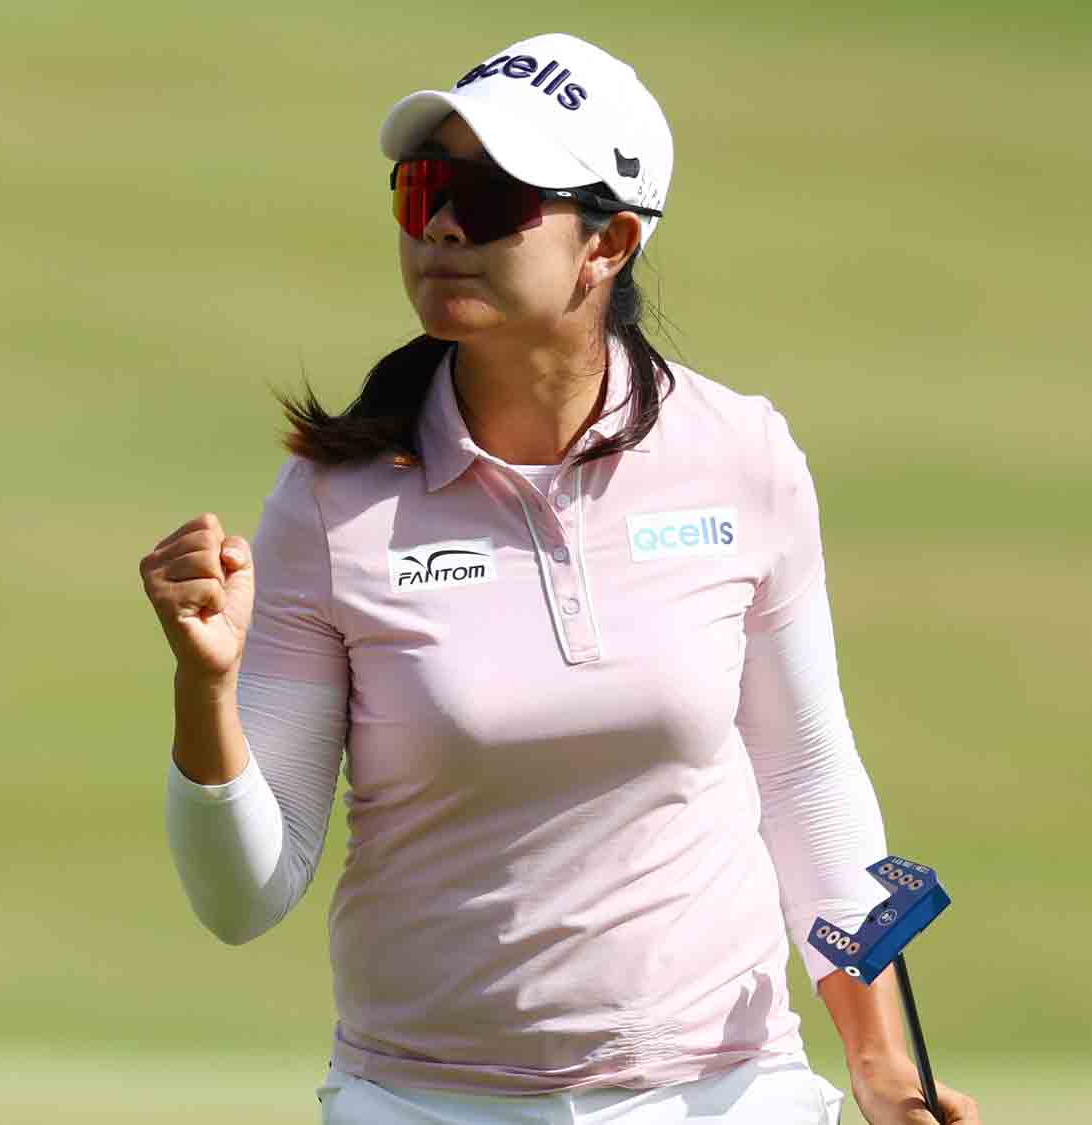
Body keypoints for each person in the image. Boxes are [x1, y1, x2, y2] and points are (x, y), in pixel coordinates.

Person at [140, 31, 983, 1125]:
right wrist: (204, 691)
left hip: (724, 1092)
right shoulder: (331, 503)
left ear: (609, 243)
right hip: (424, 1103)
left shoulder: (741, 455)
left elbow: (805, 777)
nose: (442, 226)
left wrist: (875, 1055)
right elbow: (242, 897)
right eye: (424, 190)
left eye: (491, 202)